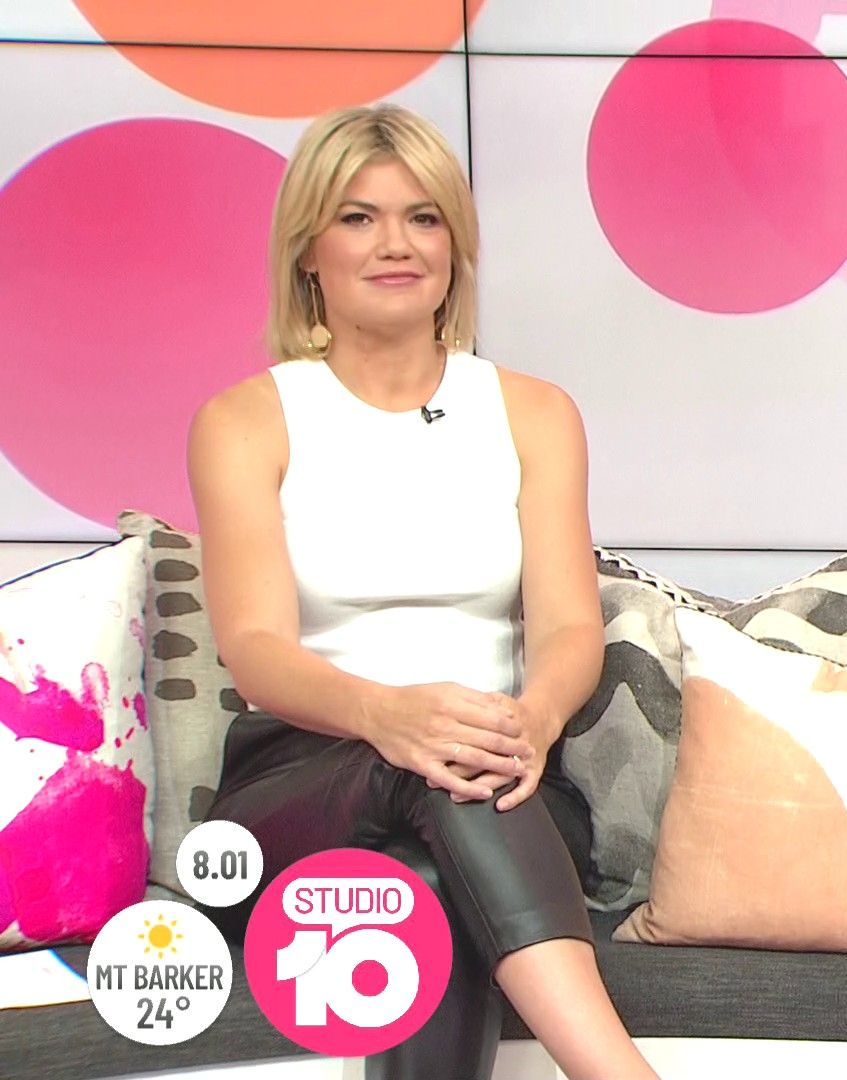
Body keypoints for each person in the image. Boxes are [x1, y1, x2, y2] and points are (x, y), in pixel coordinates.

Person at [189, 103, 659, 1080]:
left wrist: (534, 719)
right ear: (308, 249)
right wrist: (388, 717)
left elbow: (569, 626)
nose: (396, 243)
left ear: (455, 244)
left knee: (423, 873)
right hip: (300, 783)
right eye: (358, 218)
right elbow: (256, 649)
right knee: (436, 763)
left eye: (423, 217)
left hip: (503, 777)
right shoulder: (246, 421)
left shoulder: (533, 414)